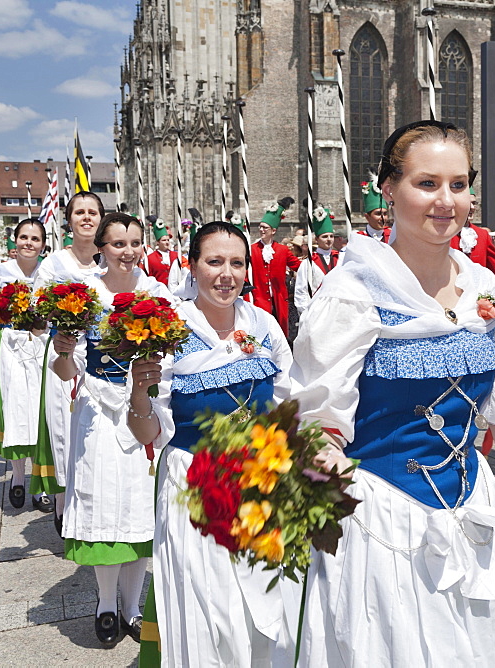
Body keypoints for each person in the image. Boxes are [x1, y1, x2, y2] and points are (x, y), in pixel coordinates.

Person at [292, 120, 495, 666]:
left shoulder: (485, 289)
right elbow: (316, 423)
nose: (445, 201)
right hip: (380, 522)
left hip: (473, 513)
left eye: (458, 185)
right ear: (389, 188)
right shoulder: (352, 293)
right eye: (427, 183)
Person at [129, 222, 294, 666]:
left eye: (236, 263)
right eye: (214, 262)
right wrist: (137, 394)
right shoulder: (169, 330)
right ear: (193, 266)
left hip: (259, 482)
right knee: (210, 606)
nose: (227, 274)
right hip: (194, 483)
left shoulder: (263, 324)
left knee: (266, 604)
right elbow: (148, 434)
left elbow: (288, 404)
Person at [51, 212, 169, 648]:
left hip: (142, 410)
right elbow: (65, 371)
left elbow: (169, 357)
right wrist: (63, 349)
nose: (128, 251)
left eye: (135, 242)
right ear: (100, 247)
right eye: (118, 243)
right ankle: (104, 603)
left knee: (139, 506)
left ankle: (133, 607)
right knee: (103, 502)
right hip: (98, 413)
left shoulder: (155, 292)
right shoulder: (84, 296)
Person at [35, 192, 105, 533]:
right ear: (70, 219)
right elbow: (38, 312)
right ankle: (63, 506)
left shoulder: (110, 262)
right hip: (65, 354)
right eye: (80, 212)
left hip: (105, 360)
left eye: (93, 212)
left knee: (98, 431)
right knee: (64, 431)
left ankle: (95, 501)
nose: (87, 217)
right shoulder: (52, 265)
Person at [0, 219, 52, 512]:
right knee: (15, 411)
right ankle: (18, 477)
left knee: (40, 413)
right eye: (24, 237)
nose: (29, 243)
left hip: (41, 346)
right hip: (9, 347)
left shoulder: (49, 272)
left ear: (43, 244)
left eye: (35, 238)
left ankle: (40, 484)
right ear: (14, 241)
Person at [250, 198, 301, 337]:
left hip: (279, 301)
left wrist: (312, 262)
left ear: (273, 231)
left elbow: (298, 266)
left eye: (264, 227)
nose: (261, 230)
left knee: (279, 335)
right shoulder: (252, 250)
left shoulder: (282, 250)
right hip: (258, 300)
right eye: (260, 227)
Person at [294, 206, 341, 315]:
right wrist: (308, 312)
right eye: (325, 236)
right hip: (317, 311)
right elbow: (301, 291)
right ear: (317, 239)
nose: (329, 239)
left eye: (331, 236)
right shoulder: (308, 263)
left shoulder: (340, 259)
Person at [144, 217, 183, 291]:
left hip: (176, 293)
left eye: (168, 240)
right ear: (158, 242)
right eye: (164, 240)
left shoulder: (176, 255)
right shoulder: (150, 258)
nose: (167, 242)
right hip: (159, 292)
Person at [359, 175, 391, 242]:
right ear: (367, 217)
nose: (383, 218)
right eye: (378, 214)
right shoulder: (359, 239)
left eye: (385, 214)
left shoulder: (393, 236)